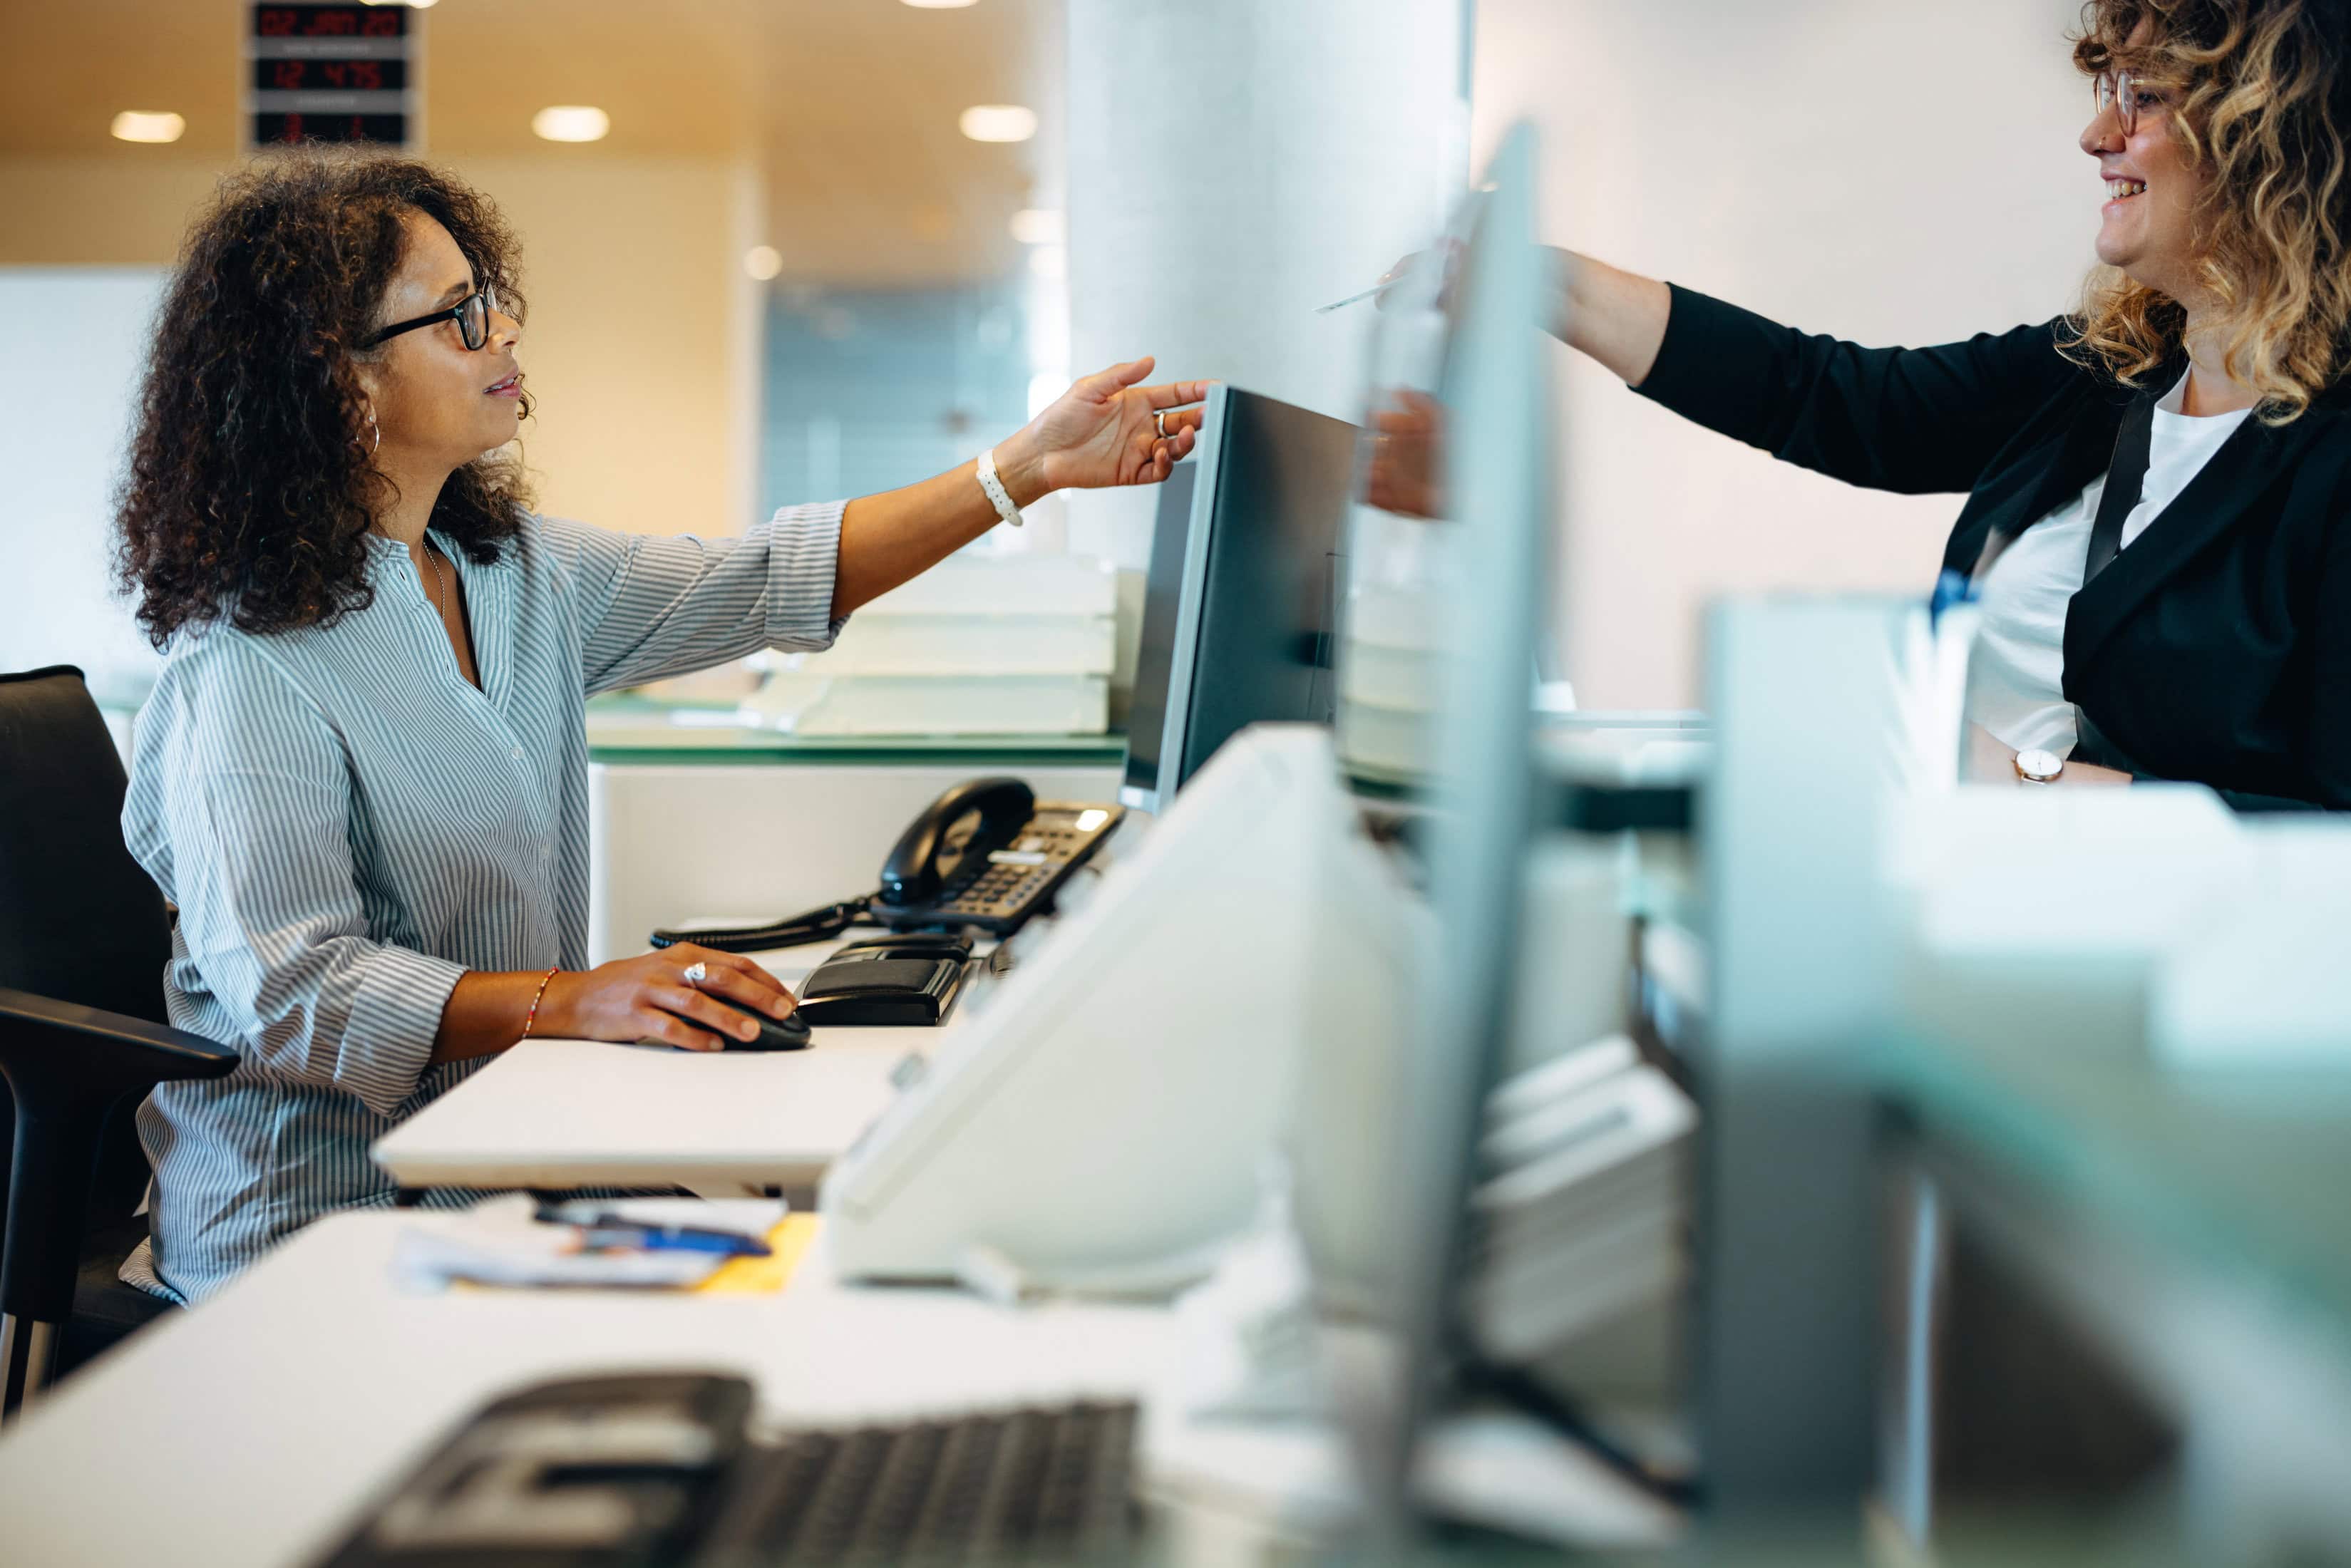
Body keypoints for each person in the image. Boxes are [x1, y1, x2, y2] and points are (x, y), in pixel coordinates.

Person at [111, 152, 1206, 1303]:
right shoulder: (243, 665)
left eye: (493, 301)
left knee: (847, 1263)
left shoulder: (508, 572)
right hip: (315, 1227)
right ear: (337, 383)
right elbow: (298, 994)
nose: (504, 338)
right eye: (459, 318)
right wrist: (574, 999)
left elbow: (768, 576)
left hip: (514, 1163)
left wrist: (1026, 469)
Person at [1540, 0, 2350, 807]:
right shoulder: (2104, 374)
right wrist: (1542, 282)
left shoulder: (2331, 453)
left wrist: (2025, 780)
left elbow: (2329, 834)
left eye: (2142, 97)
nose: (2097, 137)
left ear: (2266, 131)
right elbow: (1825, 396)